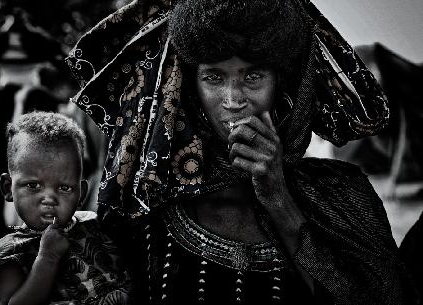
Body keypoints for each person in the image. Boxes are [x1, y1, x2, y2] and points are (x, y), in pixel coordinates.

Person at [66, 0, 417, 304]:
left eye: (253, 77)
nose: (233, 100)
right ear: (188, 87)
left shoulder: (344, 193)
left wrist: (279, 197)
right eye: (213, 78)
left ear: (284, 84)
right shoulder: (150, 210)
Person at [0, 112, 132, 305]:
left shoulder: (96, 224)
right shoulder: (9, 254)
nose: (49, 198)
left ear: (81, 193)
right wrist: (48, 257)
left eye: (64, 188)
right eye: (33, 186)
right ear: (8, 188)